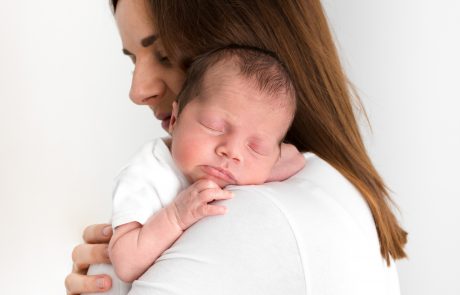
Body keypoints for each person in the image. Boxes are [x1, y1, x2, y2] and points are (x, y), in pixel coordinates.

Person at [65, 0, 408, 294]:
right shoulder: (325, 185)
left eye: (165, 55)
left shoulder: (252, 212)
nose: (137, 91)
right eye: (132, 59)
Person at [105, 46, 300, 288]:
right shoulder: (147, 173)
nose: (232, 151)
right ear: (174, 120)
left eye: (255, 147)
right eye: (214, 126)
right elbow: (125, 261)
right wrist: (175, 217)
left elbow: (295, 160)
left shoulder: (251, 170)